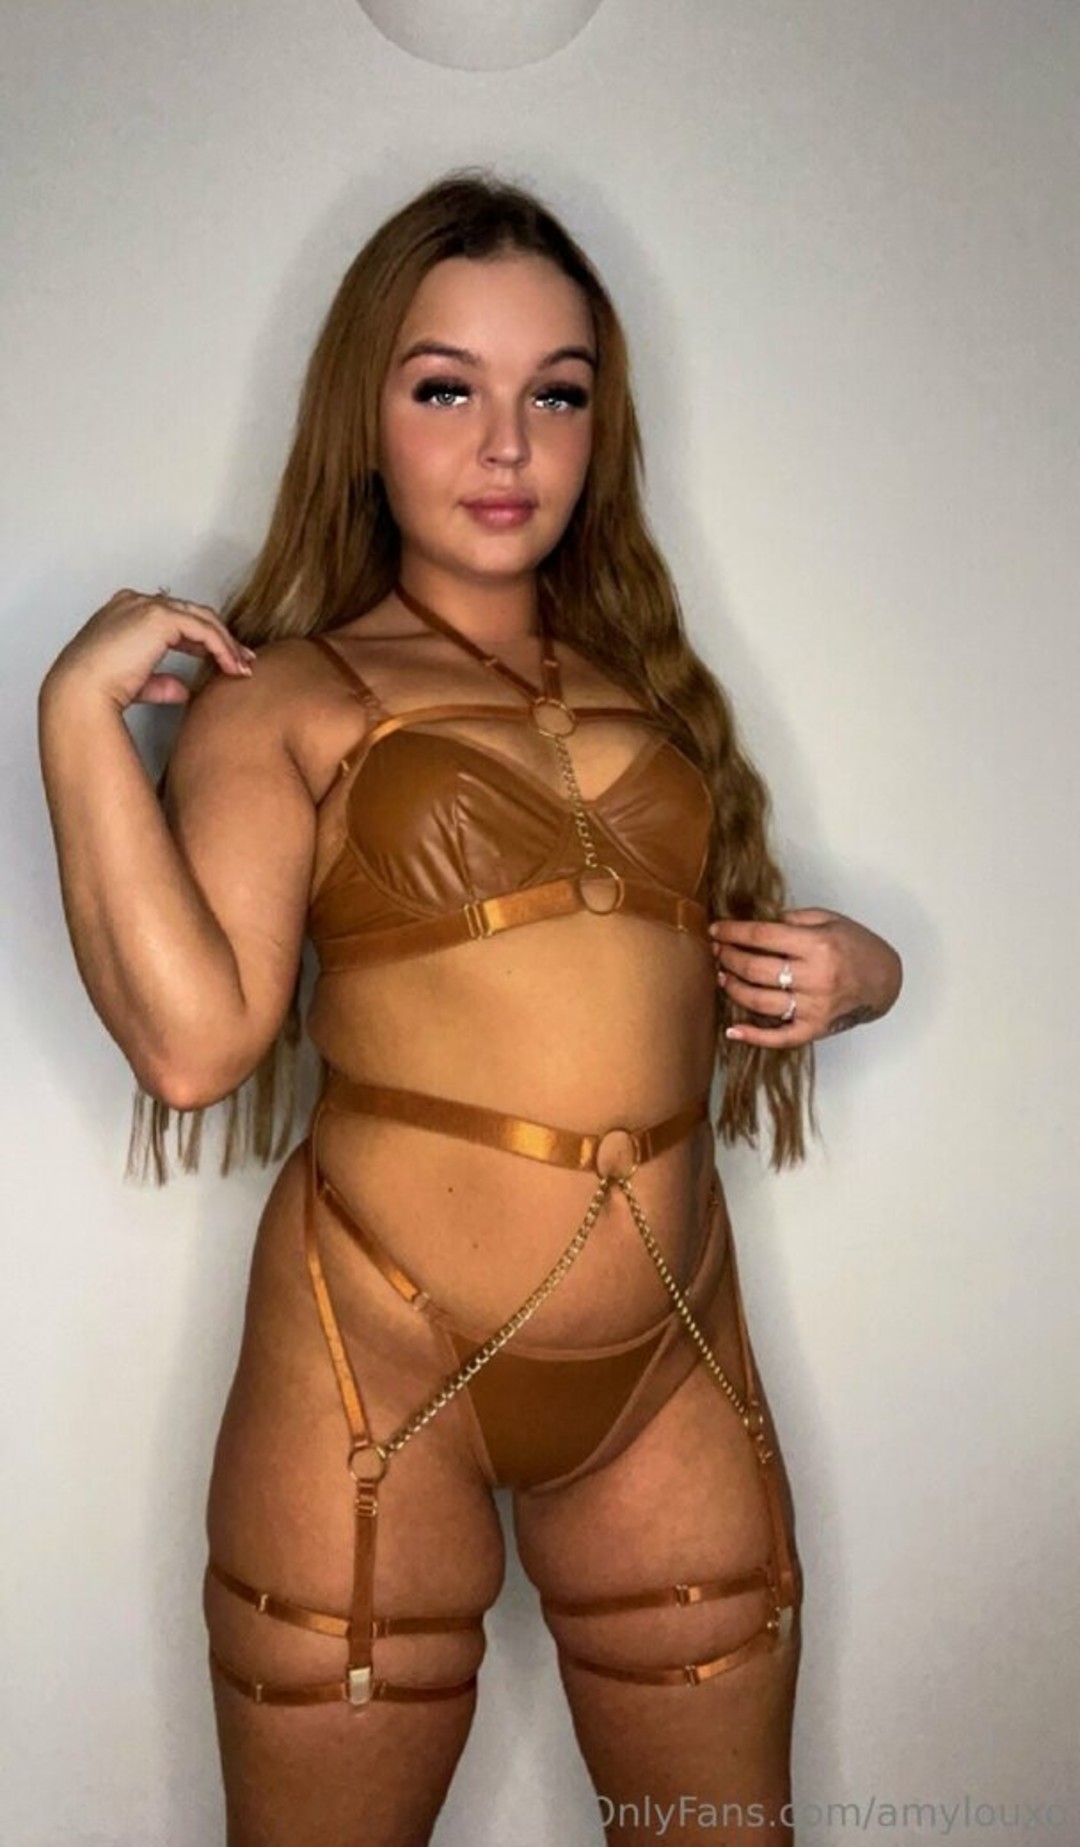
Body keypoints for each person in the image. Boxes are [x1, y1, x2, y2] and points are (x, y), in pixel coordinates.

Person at [38, 171, 902, 1847]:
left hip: (672, 1355)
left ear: (599, 427)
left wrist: (865, 978)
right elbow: (195, 1046)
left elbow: (711, 970)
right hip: (375, 1365)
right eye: (448, 390)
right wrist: (77, 716)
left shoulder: (656, 690)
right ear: (362, 418)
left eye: (555, 396)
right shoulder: (286, 697)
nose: (508, 447)